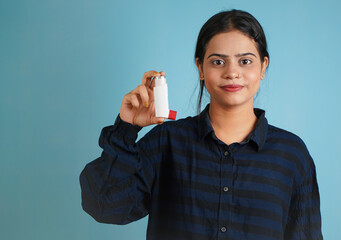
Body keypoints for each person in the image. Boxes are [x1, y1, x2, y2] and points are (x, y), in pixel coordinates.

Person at [80, 9, 322, 240]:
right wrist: (126, 128)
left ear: (263, 67)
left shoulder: (291, 155)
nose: (232, 73)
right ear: (200, 68)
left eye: (245, 61)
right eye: (218, 62)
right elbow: (103, 205)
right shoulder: (167, 143)